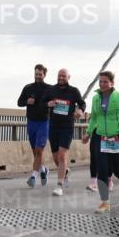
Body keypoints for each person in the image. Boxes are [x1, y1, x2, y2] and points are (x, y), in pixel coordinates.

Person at [83, 70, 119, 213]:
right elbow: (94, 118)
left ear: (112, 83)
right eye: (100, 81)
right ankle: (104, 202)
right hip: (101, 138)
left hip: (118, 137)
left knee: (117, 169)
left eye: (105, 81)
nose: (102, 84)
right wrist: (88, 133)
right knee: (102, 170)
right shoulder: (96, 99)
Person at [45, 68, 86, 196]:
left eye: (63, 76)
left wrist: (80, 111)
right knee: (56, 158)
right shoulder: (52, 90)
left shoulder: (74, 91)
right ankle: (65, 171)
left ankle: (59, 185)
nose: (61, 78)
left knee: (62, 155)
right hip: (53, 127)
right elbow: (42, 102)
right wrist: (48, 104)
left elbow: (82, 103)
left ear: (69, 77)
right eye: (59, 76)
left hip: (67, 127)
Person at [17, 64, 51, 188]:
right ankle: (43, 169)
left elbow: (58, 103)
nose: (37, 76)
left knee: (39, 150)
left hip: (44, 122)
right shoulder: (28, 87)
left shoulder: (49, 89)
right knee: (35, 151)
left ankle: (33, 176)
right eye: (36, 74)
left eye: (40, 74)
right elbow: (19, 102)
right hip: (31, 122)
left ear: (44, 75)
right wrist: (27, 102)